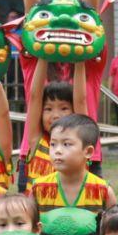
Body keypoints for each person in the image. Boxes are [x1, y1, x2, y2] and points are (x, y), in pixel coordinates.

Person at [15, 0, 112, 180]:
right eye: (52, 16)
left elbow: (91, 14)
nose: (62, 23)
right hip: (36, 153)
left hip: (84, 154)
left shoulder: (89, 60)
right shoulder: (35, 57)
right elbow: (31, 14)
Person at [27, 114, 117, 214]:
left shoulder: (103, 191)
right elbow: (29, 222)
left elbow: (114, 224)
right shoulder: (39, 189)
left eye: (66, 144)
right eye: (53, 144)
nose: (57, 150)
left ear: (88, 152)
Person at [21, 61, 83, 190]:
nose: (55, 115)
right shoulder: (36, 140)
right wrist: (43, 56)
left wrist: (80, 60)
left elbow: (80, 99)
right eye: (48, 109)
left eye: (64, 108)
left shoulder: (80, 141)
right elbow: (35, 96)